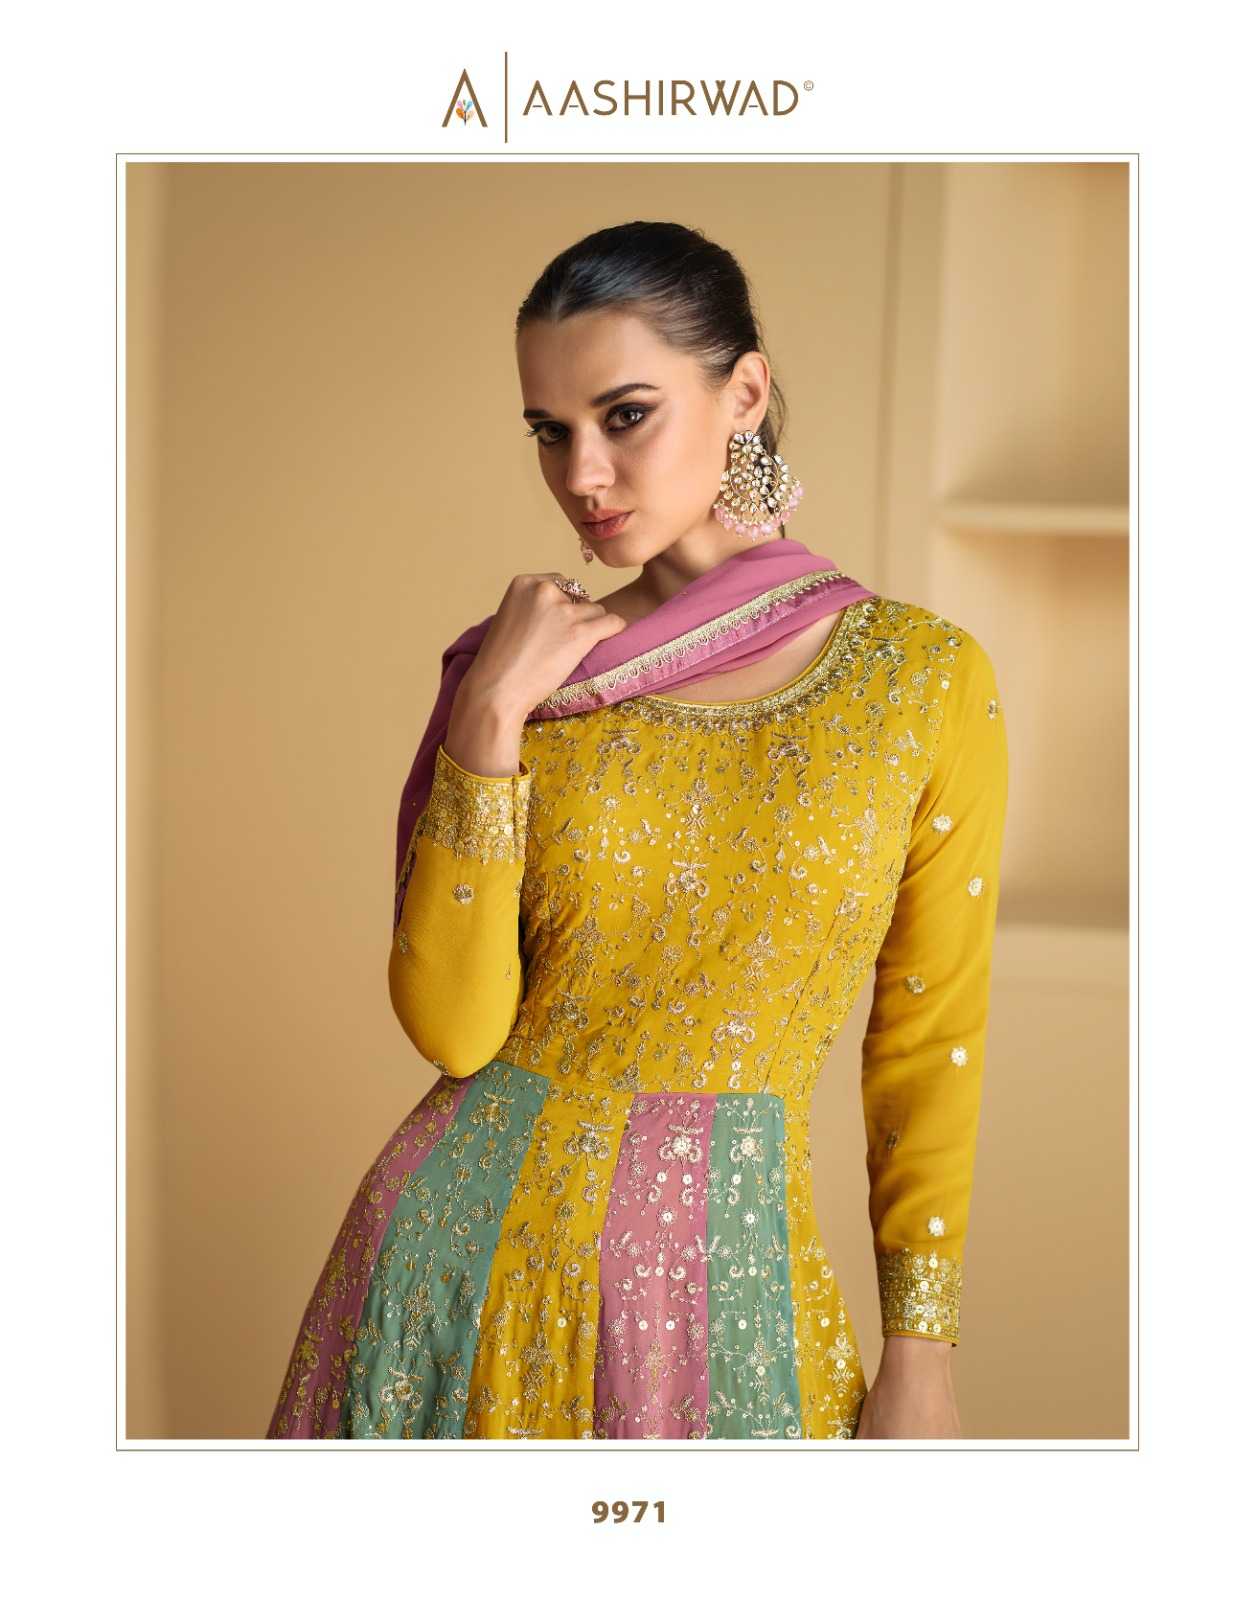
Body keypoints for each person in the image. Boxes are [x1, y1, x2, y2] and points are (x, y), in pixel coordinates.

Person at [265, 220, 1009, 1443]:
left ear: (745, 394)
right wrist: (489, 714)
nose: (583, 475)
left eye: (624, 416)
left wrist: (920, 1355)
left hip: (730, 1292)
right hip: (451, 1287)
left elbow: (929, 1039)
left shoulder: (921, 680)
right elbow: (455, 1032)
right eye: (549, 431)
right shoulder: (525, 678)